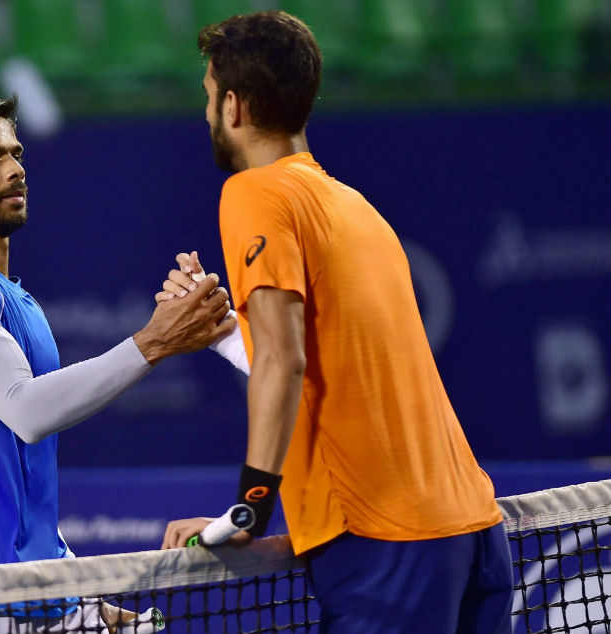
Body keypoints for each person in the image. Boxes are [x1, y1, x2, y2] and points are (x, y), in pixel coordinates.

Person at [159, 11, 514, 634]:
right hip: (472, 535)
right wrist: (222, 336)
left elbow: (284, 361)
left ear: (235, 107)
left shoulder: (254, 193)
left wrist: (248, 508)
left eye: (210, 97)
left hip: (385, 545)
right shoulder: (356, 208)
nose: (207, 113)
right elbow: (327, 369)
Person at [0, 90, 234, 633]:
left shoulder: (18, 302)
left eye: (15, 153)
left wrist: (76, 594)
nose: (13, 169)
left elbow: (20, 481)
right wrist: (154, 342)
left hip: (40, 595)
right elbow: (25, 412)